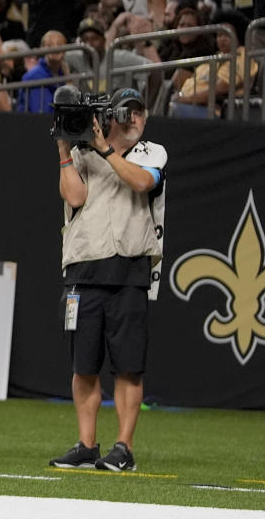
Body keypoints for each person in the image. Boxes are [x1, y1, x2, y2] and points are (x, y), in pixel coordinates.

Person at [50, 87, 166, 473]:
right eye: (127, 112)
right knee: (83, 365)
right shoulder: (82, 153)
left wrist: (104, 151)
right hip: (83, 268)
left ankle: (124, 448)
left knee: (129, 366)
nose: (134, 119)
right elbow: (75, 198)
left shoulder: (153, 153)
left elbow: (141, 183)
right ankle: (86, 445)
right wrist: (65, 153)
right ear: (111, 115)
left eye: (139, 112)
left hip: (130, 267)